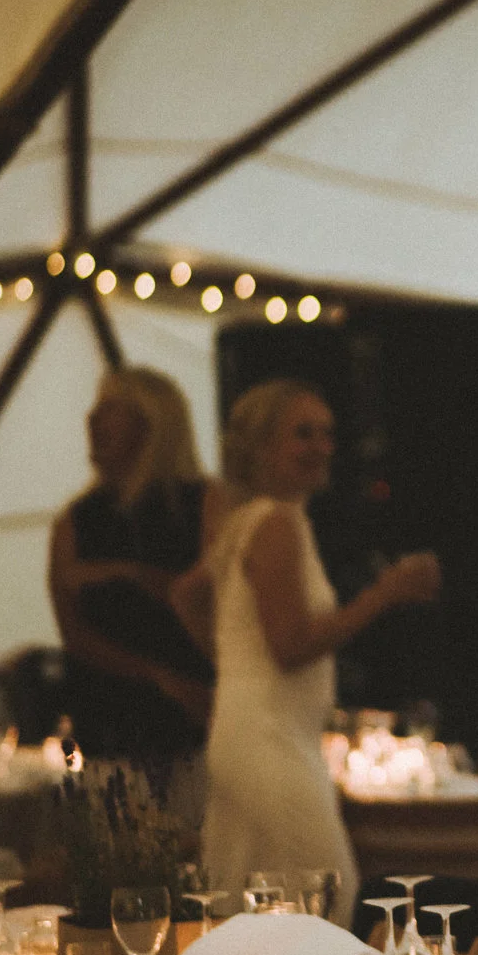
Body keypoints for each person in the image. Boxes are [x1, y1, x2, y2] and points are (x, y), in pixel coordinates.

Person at [174, 379, 439, 927]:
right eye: (303, 434)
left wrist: (233, 667)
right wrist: (384, 593)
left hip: (252, 729)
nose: (322, 446)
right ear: (261, 447)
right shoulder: (274, 522)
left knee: (251, 902)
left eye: (327, 433)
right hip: (268, 739)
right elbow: (291, 646)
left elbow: (186, 596)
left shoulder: (247, 521)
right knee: (326, 890)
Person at [46, 368, 215, 768]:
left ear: (151, 424)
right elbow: (74, 635)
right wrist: (157, 676)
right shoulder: (74, 521)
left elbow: (217, 603)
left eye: (109, 409)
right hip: (105, 726)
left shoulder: (204, 505)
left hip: (192, 723)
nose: (92, 419)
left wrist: (128, 574)